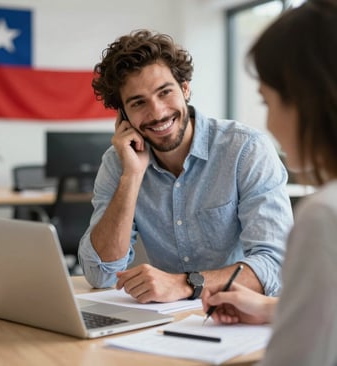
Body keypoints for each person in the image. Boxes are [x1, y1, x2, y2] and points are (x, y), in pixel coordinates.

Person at [78, 29, 293, 303]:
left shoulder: (245, 149)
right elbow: (100, 274)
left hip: (243, 315)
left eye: (164, 92)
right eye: (138, 102)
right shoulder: (118, 162)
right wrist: (131, 177)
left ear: (185, 88)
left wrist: (186, 284)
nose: (157, 112)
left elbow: (276, 265)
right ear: (123, 115)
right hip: (162, 322)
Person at [202, 1, 337, 365]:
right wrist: (271, 308)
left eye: (266, 102)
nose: (269, 125)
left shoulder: (324, 216)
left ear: (307, 100)